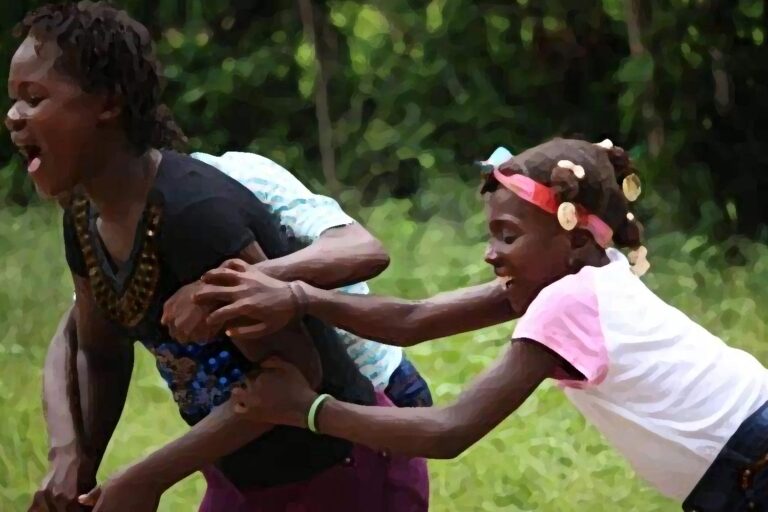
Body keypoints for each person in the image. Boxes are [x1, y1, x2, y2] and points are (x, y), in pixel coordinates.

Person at [6, 2, 427, 511]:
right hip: (243, 477)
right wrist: (76, 465)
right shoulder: (85, 214)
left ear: (108, 103)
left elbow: (293, 374)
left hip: (340, 468)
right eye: (14, 100)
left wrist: (148, 476)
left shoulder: (195, 213)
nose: (13, 116)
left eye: (34, 98)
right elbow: (95, 349)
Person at [195, 137, 768, 511]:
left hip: (751, 462)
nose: (491, 254)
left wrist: (307, 410)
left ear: (571, 240)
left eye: (508, 236)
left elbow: (449, 432)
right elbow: (413, 320)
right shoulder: (582, 276)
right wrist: (299, 296)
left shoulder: (565, 303)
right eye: (491, 234)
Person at [167, 151, 433, 408]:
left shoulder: (238, 176)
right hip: (273, 410)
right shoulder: (136, 226)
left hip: (375, 387)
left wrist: (221, 289)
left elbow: (360, 248)